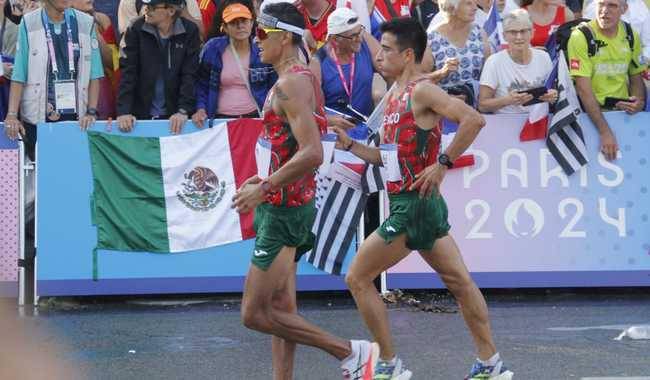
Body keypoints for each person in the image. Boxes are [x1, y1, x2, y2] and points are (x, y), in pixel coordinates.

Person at [331, 17, 514, 380]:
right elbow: (387, 157)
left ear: (408, 54)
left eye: (386, 49)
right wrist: (351, 145)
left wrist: (442, 164)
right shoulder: (394, 96)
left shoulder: (421, 91)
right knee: (461, 283)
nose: (378, 55)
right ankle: (490, 363)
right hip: (419, 204)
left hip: (413, 206)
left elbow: (473, 119)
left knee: (357, 278)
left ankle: (388, 364)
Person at [232, 3, 377, 379]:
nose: (256, 40)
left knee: (254, 313)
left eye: (263, 33)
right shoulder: (302, 75)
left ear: (284, 38)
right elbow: (294, 141)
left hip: (283, 208)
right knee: (282, 307)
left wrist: (264, 186)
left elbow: (312, 152)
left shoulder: (291, 82)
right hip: (287, 201)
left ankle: (349, 352)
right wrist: (263, 179)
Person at [3, 0, 103, 159]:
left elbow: (95, 74)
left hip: (78, 119)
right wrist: (12, 114)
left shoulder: (86, 22)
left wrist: (91, 111)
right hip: (38, 118)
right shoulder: (29, 22)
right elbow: (19, 73)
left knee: (73, 168)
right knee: (42, 172)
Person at [567, 0, 646, 160]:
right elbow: (583, 89)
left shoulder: (631, 34)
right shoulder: (580, 36)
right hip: (590, 118)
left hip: (623, 115)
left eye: (612, 5)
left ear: (624, 9)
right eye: (601, 4)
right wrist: (605, 131)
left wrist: (638, 102)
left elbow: (636, 75)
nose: (604, 10)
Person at [117, 0, 201, 134]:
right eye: (146, 6)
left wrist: (183, 110)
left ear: (171, 11)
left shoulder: (190, 31)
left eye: (152, 7)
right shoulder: (135, 28)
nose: (146, 10)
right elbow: (128, 73)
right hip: (139, 117)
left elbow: (190, 75)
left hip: (177, 118)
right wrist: (124, 111)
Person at [194, 0, 276, 124]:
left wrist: (273, 113)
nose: (240, 26)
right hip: (219, 121)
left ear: (252, 23)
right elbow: (201, 84)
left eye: (244, 21)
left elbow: (274, 86)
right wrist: (201, 109)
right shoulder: (212, 48)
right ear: (225, 27)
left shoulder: (263, 48)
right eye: (233, 22)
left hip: (256, 118)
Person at [309, 7, 381, 129]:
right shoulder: (318, 62)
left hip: (367, 128)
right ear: (335, 39)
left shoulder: (365, 42)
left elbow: (390, 70)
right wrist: (330, 120)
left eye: (360, 32)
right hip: (337, 133)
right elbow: (310, 111)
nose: (359, 39)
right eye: (353, 36)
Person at [479, 9, 557, 113]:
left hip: (539, 122)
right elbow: (482, 105)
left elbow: (554, 91)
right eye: (513, 32)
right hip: (507, 123)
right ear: (504, 36)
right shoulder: (494, 62)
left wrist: (553, 95)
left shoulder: (544, 57)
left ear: (532, 33)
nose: (519, 37)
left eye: (523, 31)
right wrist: (507, 100)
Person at [427, 0, 491, 107]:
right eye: (468, 3)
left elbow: (489, 75)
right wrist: (442, 73)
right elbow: (418, 80)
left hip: (476, 109)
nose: (475, 8)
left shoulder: (480, 33)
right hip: (443, 110)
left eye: (475, 3)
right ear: (452, 7)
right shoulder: (431, 38)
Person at [71, 0, 120, 119]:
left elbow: (113, 62)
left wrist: (92, 29)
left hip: (101, 91)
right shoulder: (58, 23)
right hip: (71, 91)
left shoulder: (101, 20)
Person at [117, 0, 204, 38]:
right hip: (145, 61)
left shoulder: (186, 1)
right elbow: (126, 43)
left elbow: (202, 35)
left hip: (180, 55)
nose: (148, 9)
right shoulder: (129, 2)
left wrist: (181, 10)